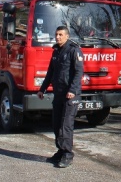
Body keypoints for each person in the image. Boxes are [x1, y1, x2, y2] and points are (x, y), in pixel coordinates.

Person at [37, 25, 84, 168]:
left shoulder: (74, 50)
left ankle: (68, 154)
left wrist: (73, 90)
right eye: (56, 34)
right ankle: (60, 151)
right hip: (58, 93)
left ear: (67, 36)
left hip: (70, 95)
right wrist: (42, 89)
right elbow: (50, 72)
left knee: (66, 126)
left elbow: (78, 72)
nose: (57, 37)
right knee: (56, 124)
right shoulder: (56, 51)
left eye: (60, 35)